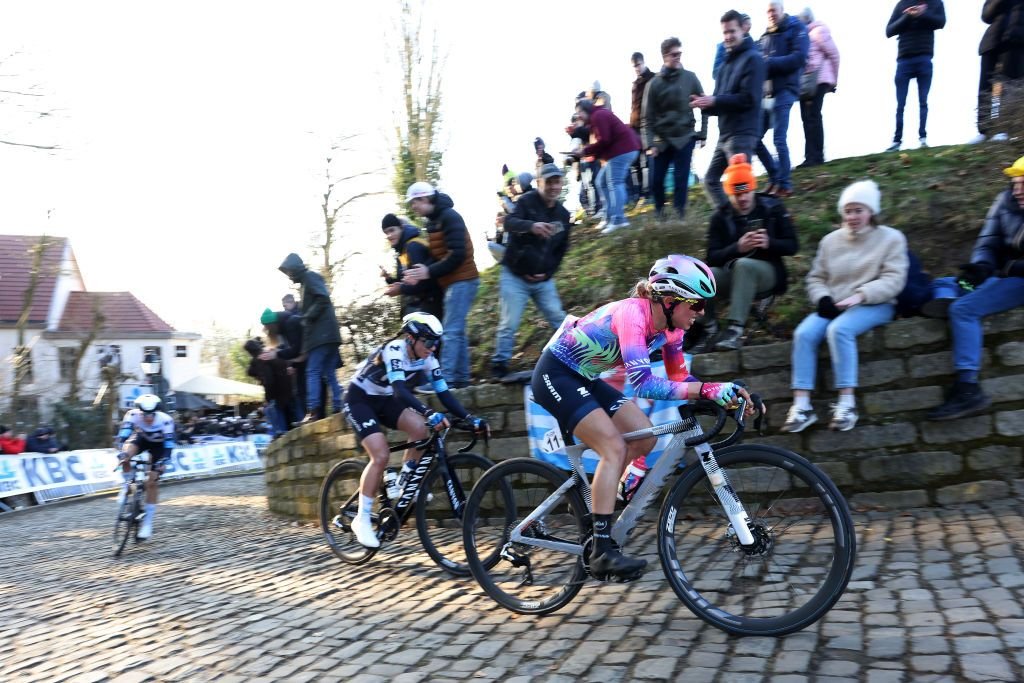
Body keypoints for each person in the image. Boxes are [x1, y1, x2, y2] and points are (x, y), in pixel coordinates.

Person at [532, 255, 754, 580]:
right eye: (696, 304)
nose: (702, 312)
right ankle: (602, 552)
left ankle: (598, 503)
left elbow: (681, 380)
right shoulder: (632, 314)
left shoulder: (672, 331)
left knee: (645, 436)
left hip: (586, 377)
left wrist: (725, 391)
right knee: (613, 448)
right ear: (669, 301)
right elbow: (643, 382)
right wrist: (704, 390)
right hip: (556, 373)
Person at [343, 313, 488, 547]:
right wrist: (430, 412)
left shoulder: (428, 358)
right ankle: (361, 519)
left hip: (384, 399)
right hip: (359, 399)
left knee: (421, 429)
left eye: (436, 343)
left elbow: (444, 394)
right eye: (429, 342)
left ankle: (403, 484)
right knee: (380, 455)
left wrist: (470, 418)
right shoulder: (395, 350)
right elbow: (400, 389)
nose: (433, 348)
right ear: (411, 338)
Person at [780, 180, 908, 433]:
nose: (853, 216)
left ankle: (847, 404)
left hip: (875, 303)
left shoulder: (891, 238)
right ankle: (802, 406)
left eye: (859, 210)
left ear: (871, 211)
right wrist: (823, 299)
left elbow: (895, 279)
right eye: (848, 211)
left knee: (839, 331)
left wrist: (861, 295)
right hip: (835, 305)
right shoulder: (830, 241)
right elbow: (816, 278)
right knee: (803, 334)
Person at [927, 156, 1024, 420]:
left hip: (1019, 278)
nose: (1018, 189)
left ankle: (968, 388)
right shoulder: (1005, 202)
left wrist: (1006, 269)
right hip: (1004, 273)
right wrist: (981, 267)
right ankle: (943, 299)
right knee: (947, 283)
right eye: (1015, 183)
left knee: (964, 310)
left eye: (1023, 183)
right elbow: (988, 243)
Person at [700, 154, 799, 352]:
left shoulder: (772, 207)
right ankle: (707, 328)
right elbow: (711, 257)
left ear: (753, 187)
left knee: (743, 265)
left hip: (768, 273)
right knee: (702, 275)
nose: (743, 198)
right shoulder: (720, 217)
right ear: (729, 194)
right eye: (737, 194)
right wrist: (737, 248)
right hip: (731, 274)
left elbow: (793, 246)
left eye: (746, 192)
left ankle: (735, 330)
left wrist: (769, 242)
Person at [490, 163, 571, 379]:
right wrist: (531, 226)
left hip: (543, 279)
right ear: (539, 183)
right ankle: (500, 364)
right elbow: (508, 222)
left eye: (557, 182)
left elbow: (562, 250)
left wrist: (548, 273)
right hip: (515, 275)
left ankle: (575, 356)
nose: (554, 186)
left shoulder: (563, 214)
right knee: (510, 322)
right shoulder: (526, 201)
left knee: (558, 318)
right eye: (549, 182)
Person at [402, 182, 480, 389]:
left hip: (463, 280)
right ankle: (461, 378)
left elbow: (457, 254)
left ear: (425, 199)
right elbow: (441, 256)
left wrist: (428, 271)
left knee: (451, 331)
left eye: (414, 203)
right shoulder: (434, 221)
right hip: (454, 281)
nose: (413, 208)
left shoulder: (449, 217)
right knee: (458, 331)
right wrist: (420, 273)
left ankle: (445, 380)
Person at [694, 9, 767, 210]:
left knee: (742, 188)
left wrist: (714, 101)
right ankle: (732, 224)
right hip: (725, 135)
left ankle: (752, 229)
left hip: (742, 133)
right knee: (710, 181)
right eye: (725, 32)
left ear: (743, 29)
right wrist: (705, 103)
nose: (728, 36)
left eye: (732, 31)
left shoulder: (754, 59)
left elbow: (748, 99)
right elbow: (719, 102)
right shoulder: (725, 65)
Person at [641, 37, 709, 222]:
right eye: (674, 54)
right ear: (665, 56)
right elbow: (647, 118)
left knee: (681, 180)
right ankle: (660, 217)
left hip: (685, 136)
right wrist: (649, 145)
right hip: (662, 141)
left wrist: (702, 134)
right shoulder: (653, 84)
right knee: (656, 182)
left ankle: (680, 219)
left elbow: (704, 106)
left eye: (680, 53)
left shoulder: (690, 78)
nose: (678, 56)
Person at [278, 253, 343, 422]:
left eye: (290, 273)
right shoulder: (307, 281)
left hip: (322, 335)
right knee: (329, 372)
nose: (290, 277)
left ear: (295, 269)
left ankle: (313, 410)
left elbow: (323, 299)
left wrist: (306, 317)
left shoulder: (310, 278)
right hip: (328, 334)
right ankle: (339, 405)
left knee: (312, 371)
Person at [754, 1, 809, 199]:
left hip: (786, 89)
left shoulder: (796, 28)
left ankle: (784, 184)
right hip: (766, 93)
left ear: (781, 10)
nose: (770, 14)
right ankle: (775, 176)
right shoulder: (763, 36)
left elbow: (799, 58)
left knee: (779, 137)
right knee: (754, 138)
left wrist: (769, 63)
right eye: (767, 11)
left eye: (773, 10)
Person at [885, 1, 946, 152]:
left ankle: (923, 139)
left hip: (924, 58)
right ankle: (896, 141)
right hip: (904, 60)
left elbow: (941, 22)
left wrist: (922, 14)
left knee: (923, 101)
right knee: (900, 104)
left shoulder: (935, 2)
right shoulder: (902, 4)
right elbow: (889, 30)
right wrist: (907, 16)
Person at [115, 394, 176, 540]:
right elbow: (123, 436)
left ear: (157, 412)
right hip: (141, 440)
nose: (148, 418)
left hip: (159, 446)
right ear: (139, 411)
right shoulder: (132, 415)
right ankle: (126, 485)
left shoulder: (166, 420)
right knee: (126, 453)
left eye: (151, 414)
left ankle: (147, 524)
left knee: (152, 482)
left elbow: (168, 446)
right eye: (145, 414)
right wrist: (122, 453)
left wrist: (163, 462)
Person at [575, 99, 640, 234]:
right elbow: (604, 141)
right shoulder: (596, 117)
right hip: (623, 150)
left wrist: (585, 151)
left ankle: (619, 220)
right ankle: (609, 217)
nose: (578, 116)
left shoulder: (598, 116)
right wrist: (588, 153)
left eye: (579, 112)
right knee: (601, 182)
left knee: (614, 183)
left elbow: (605, 139)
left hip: (623, 150)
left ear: (586, 109)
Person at [973, 0, 1024, 143]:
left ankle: (1004, 130)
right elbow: (986, 16)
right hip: (992, 41)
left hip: (1016, 42)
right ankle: (983, 131)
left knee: (1009, 87)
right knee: (985, 86)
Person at [797, 7, 840, 168]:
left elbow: (835, 55)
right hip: (806, 83)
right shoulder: (803, 36)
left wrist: (834, 80)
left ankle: (817, 157)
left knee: (813, 116)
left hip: (819, 81)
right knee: (806, 118)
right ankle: (810, 157)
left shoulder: (819, 31)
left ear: (806, 19)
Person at [380, 213, 443, 320]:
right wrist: (389, 279)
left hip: (434, 301)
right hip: (423, 303)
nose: (389, 235)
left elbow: (422, 282)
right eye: (386, 232)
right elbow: (404, 280)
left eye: (392, 230)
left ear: (401, 228)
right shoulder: (403, 252)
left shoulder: (413, 246)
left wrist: (400, 289)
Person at [244, 333, 294, 438]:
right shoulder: (269, 353)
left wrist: (268, 398)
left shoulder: (261, 360)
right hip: (286, 386)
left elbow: (268, 380)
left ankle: (280, 432)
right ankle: (284, 432)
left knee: (271, 409)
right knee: (282, 409)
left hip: (278, 390)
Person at [629, 51, 656, 204]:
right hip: (634, 126)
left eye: (638, 65)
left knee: (649, 161)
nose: (637, 68)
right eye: (634, 66)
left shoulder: (653, 79)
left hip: (649, 126)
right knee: (636, 162)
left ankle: (649, 193)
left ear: (643, 62)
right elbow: (634, 106)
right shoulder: (635, 84)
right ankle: (640, 194)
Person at [713, 13, 752, 81]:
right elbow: (716, 73)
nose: (748, 26)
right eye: (745, 23)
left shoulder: (753, 46)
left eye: (749, 24)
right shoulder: (722, 46)